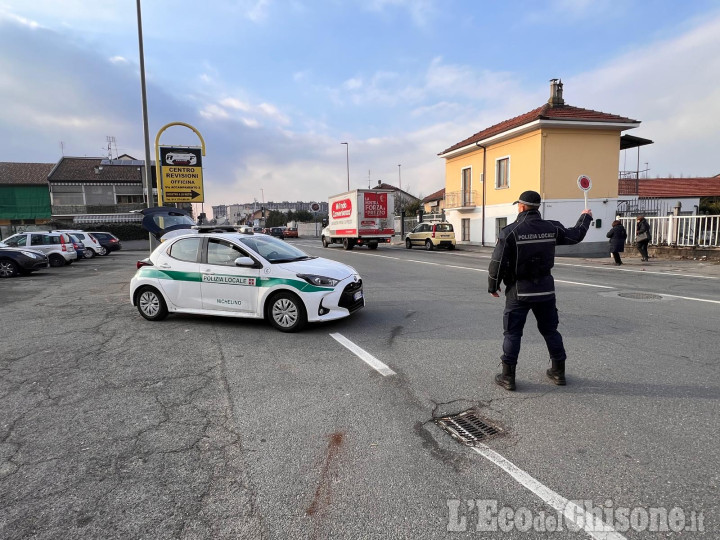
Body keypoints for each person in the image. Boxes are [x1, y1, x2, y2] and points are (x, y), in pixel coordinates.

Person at [488, 190, 593, 391]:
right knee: (550, 330)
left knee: (512, 333)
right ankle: (558, 372)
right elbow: (575, 236)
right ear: (537, 207)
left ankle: (508, 377)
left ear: (521, 206)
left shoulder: (510, 231)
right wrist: (585, 217)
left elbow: (497, 262)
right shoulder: (551, 227)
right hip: (545, 290)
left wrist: (493, 285)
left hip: (519, 291)